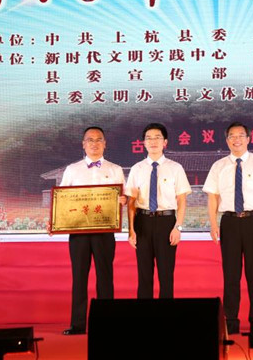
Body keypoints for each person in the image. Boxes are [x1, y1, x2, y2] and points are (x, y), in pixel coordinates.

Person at [203, 122, 253, 335]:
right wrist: (213, 224)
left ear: (249, 139)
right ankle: (231, 321)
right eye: (232, 136)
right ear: (227, 141)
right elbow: (213, 197)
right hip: (230, 222)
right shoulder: (218, 166)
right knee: (231, 274)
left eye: (241, 135)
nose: (237, 140)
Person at [59, 126, 126, 336]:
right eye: (90, 140)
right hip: (78, 232)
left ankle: (106, 323)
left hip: (105, 231)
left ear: (105, 144)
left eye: (99, 140)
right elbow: (62, 199)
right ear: (83, 144)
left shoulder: (115, 169)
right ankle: (78, 324)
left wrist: (123, 200)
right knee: (79, 277)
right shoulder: (72, 169)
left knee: (105, 276)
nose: (94, 144)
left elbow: (123, 197)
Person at [126, 123, 191, 299]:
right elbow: (131, 202)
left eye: (157, 137)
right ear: (143, 143)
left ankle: (165, 314)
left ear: (165, 142)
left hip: (167, 222)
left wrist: (178, 227)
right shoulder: (137, 169)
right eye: (149, 138)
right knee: (144, 275)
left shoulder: (175, 168)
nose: (153, 141)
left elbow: (181, 200)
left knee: (166, 274)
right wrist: (131, 230)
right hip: (142, 222)